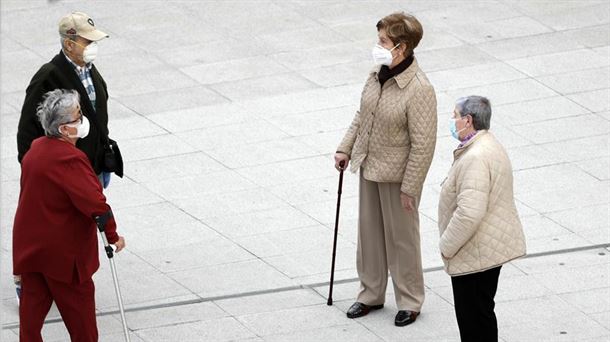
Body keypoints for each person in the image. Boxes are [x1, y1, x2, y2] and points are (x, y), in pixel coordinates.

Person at [334, 12, 437, 327]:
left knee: (402, 239)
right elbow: (362, 114)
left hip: (397, 176)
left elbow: (423, 144)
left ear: (401, 47)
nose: (377, 46)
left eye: (383, 41)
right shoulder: (376, 75)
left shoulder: (419, 89)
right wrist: (345, 148)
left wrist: (411, 187)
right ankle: (370, 294)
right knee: (369, 235)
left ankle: (410, 299)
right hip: (369, 166)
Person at [15, 11, 122, 301]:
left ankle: (70, 278)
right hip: (60, 171)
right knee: (49, 227)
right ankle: (29, 280)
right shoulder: (49, 76)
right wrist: (34, 169)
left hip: (89, 166)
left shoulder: (89, 71)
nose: (92, 46)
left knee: (78, 227)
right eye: (87, 41)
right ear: (69, 43)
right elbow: (27, 131)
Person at [13, 89, 126, 342]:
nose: (82, 120)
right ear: (64, 129)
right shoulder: (70, 160)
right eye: (77, 116)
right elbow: (95, 203)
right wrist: (113, 235)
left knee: (30, 327)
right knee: (83, 329)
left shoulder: (36, 150)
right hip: (64, 259)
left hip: (32, 253)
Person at [438, 96, 526, 342]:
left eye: (455, 115)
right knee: (482, 312)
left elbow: (469, 213)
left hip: (474, 253)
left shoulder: (475, 157)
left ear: (468, 120)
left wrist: (447, 246)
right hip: (484, 249)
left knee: (473, 318)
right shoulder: (488, 145)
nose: (452, 120)